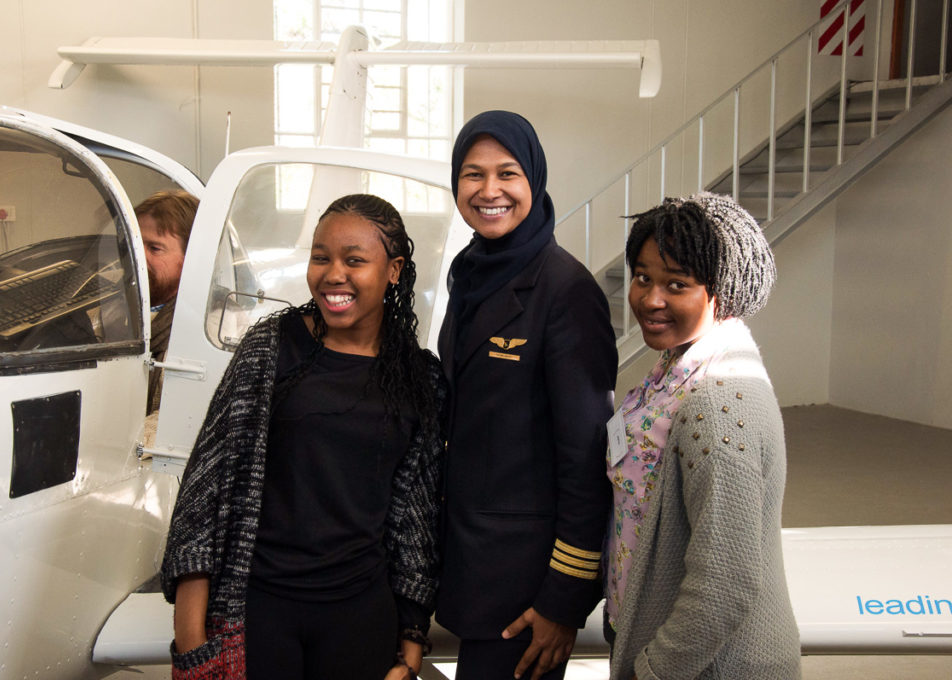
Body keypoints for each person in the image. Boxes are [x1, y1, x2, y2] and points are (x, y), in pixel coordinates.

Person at [160, 194, 444, 680]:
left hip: (360, 617)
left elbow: (418, 521)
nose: (334, 274)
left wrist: (412, 642)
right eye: (321, 258)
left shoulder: (420, 378)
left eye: (354, 260)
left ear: (394, 270)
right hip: (259, 609)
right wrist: (192, 644)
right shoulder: (270, 348)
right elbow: (204, 494)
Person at [436, 110, 618, 680]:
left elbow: (587, 458)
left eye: (507, 173)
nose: (489, 190)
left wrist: (563, 598)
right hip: (474, 562)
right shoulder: (471, 273)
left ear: (534, 179)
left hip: (527, 587)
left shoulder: (566, 291)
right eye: (473, 174)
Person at [605, 192, 801, 680]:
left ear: (723, 290)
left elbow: (725, 583)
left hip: (705, 665)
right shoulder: (678, 365)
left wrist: (651, 672)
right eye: (643, 278)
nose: (651, 299)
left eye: (677, 284)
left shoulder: (717, 406)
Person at [134, 189, 199, 414]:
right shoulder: (106, 311)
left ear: (192, 258)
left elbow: (183, 418)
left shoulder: (210, 330)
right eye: (135, 244)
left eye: (154, 248)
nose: (139, 256)